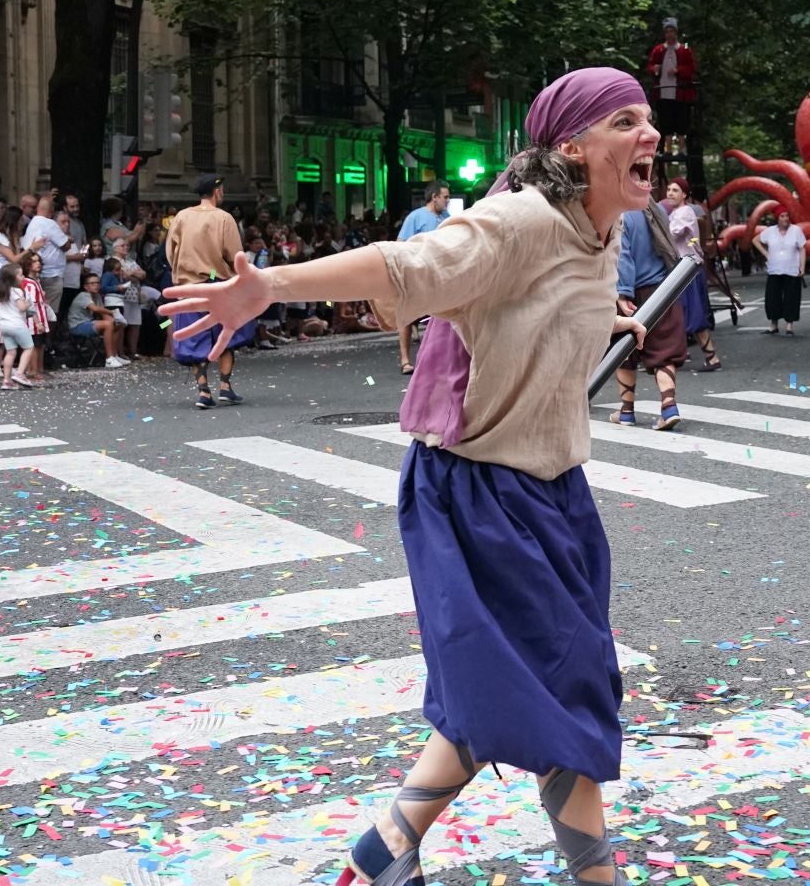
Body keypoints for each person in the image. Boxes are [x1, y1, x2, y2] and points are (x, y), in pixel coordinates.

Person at [164, 69, 656, 886]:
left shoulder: (597, 233)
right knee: (558, 690)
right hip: (481, 493)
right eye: (626, 121)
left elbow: (540, 300)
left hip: (557, 495)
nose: (651, 135)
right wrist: (268, 288)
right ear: (572, 147)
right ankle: (592, 876)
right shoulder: (522, 220)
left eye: (648, 119)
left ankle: (383, 849)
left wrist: (607, 315)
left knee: (511, 688)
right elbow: (405, 265)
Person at [165, 176, 251, 409]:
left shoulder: (181, 217)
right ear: (217, 191)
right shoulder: (224, 218)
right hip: (218, 284)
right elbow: (235, 255)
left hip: (189, 287)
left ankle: (203, 390)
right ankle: (225, 386)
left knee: (194, 339)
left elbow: (171, 252)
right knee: (226, 337)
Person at [611, 200, 686, 430]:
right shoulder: (656, 209)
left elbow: (623, 254)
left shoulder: (620, 213)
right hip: (661, 288)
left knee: (623, 350)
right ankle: (669, 406)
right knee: (665, 349)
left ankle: (626, 411)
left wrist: (622, 293)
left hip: (633, 291)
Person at [663, 178, 722, 371]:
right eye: (669, 190)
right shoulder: (675, 213)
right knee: (680, 313)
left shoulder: (685, 212)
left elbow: (672, 235)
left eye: (675, 190)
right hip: (682, 268)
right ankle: (681, 354)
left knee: (693, 314)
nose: (670, 193)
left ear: (685, 195)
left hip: (687, 269)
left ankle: (712, 357)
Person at [395, 182, 450, 374]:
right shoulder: (416, 217)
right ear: (434, 197)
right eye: (445, 197)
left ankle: (435, 362)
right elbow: (401, 243)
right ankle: (405, 360)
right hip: (417, 272)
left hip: (438, 274)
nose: (448, 201)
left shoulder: (446, 218)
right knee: (407, 317)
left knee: (441, 318)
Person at [21, 196, 70, 341]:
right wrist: (68, 238)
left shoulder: (32, 223)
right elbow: (65, 245)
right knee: (50, 312)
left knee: (35, 310)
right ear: (51, 211)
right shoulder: (49, 223)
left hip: (35, 274)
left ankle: (38, 344)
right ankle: (47, 344)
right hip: (51, 274)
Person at [645, 17, 695, 146]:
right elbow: (650, 66)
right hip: (663, 91)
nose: (669, 34)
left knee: (682, 119)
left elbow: (691, 68)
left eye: (672, 31)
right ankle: (667, 149)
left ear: (676, 32)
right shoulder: (658, 49)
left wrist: (678, 70)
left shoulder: (685, 48)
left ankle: (682, 148)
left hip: (681, 93)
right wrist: (654, 69)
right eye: (667, 31)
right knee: (665, 119)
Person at [754, 210, 806, 335]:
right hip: (774, 269)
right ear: (777, 218)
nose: (785, 218)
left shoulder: (796, 230)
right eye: (782, 216)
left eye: (787, 215)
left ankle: (789, 325)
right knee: (773, 297)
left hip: (792, 269)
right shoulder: (770, 231)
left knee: (791, 297)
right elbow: (755, 240)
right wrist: (766, 253)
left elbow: (802, 248)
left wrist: (802, 267)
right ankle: (773, 325)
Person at [65, 271, 128, 367]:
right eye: (92, 283)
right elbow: (95, 308)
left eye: (98, 283)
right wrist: (112, 312)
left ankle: (115, 355)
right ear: (86, 286)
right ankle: (109, 359)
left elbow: (102, 313)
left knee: (117, 324)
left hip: (89, 323)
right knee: (108, 325)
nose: (96, 285)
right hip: (78, 325)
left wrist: (115, 321)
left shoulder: (97, 296)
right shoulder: (83, 295)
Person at [0, 263, 38, 389]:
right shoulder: (17, 291)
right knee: (29, 348)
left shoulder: (1, 291)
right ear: (12, 278)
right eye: (20, 275)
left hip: (4, 325)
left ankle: (6, 381)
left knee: (11, 352)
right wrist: (28, 303)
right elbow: (22, 308)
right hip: (17, 324)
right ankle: (19, 373)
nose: (23, 277)